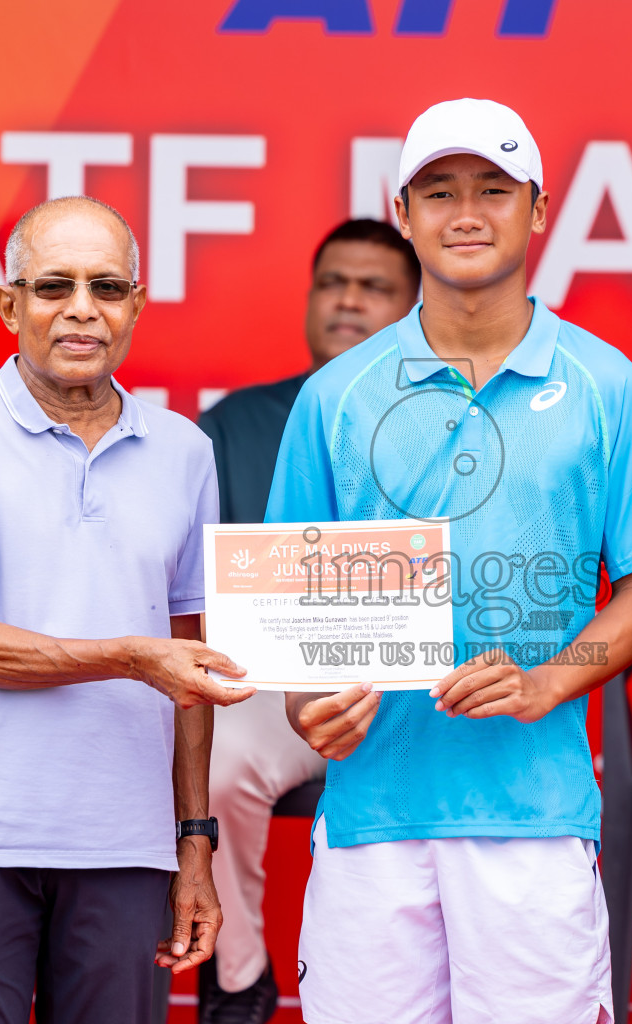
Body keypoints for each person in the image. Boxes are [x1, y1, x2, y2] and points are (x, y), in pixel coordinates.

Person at [265, 99, 632, 1024]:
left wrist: (546, 681)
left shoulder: (606, 385)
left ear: (537, 210)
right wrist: (309, 706)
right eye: (440, 191)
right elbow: (298, 617)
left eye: (494, 190)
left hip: (533, 817)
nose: (466, 213)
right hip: (374, 814)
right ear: (405, 211)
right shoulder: (335, 397)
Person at [0, 195, 256, 1023]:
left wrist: (193, 839)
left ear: (136, 305)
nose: (83, 309)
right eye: (55, 286)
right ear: (9, 305)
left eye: (108, 287)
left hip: (127, 848)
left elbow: (189, 659)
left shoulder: (186, 452)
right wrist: (132, 657)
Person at [196, 218, 419, 1022]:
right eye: (333, 282)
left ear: (417, 304)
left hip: (420, 691)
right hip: (278, 690)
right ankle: (237, 978)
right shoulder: (237, 423)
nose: (348, 300)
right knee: (214, 760)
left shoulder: (458, 421)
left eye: (374, 287)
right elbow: (191, 581)